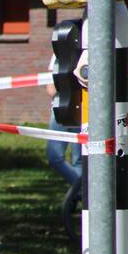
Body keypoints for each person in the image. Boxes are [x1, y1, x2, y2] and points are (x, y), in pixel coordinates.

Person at [45, 55, 82, 186]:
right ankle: (81, 188)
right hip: (61, 108)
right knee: (54, 157)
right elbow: (51, 89)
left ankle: (82, 199)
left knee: (79, 160)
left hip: (84, 109)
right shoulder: (58, 54)